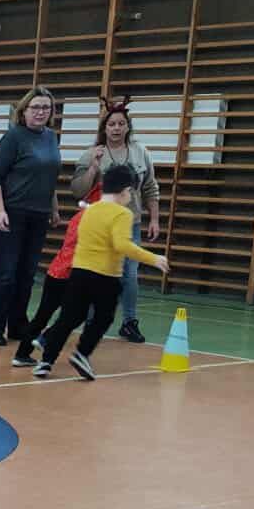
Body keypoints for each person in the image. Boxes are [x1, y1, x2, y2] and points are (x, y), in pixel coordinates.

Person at [33, 163, 168, 381]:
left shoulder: (89, 210)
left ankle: (46, 361)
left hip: (79, 273)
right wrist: (154, 259)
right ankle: (82, 353)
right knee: (103, 318)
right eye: (131, 193)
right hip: (106, 277)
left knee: (68, 318)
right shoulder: (123, 214)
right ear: (126, 191)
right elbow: (122, 245)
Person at [72, 97, 160, 344]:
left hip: (130, 223)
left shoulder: (141, 152)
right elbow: (77, 190)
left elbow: (150, 187)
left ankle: (129, 322)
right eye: (112, 124)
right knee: (96, 272)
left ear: (128, 127)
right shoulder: (91, 153)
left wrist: (154, 218)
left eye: (121, 123)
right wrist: (93, 167)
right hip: (99, 226)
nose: (117, 128)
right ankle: (90, 320)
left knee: (129, 275)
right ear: (105, 127)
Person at [0, 86, 62, 346]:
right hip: (11, 213)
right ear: (24, 110)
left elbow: (49, 177)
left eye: (46, 107)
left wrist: (54, 208)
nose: (41, 112)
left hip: (38, 215)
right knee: (6, 273)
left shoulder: (51, 137)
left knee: (26, 274)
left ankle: (17, 325)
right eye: (35, 107)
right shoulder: (13, 137)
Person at [11, 189, 95, 367]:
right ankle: (46, 338)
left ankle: (22, 353)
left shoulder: (78, 217)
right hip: (71, 274)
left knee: (42, 316)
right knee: (77, 315)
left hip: (56, 271)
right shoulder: (92, 221)